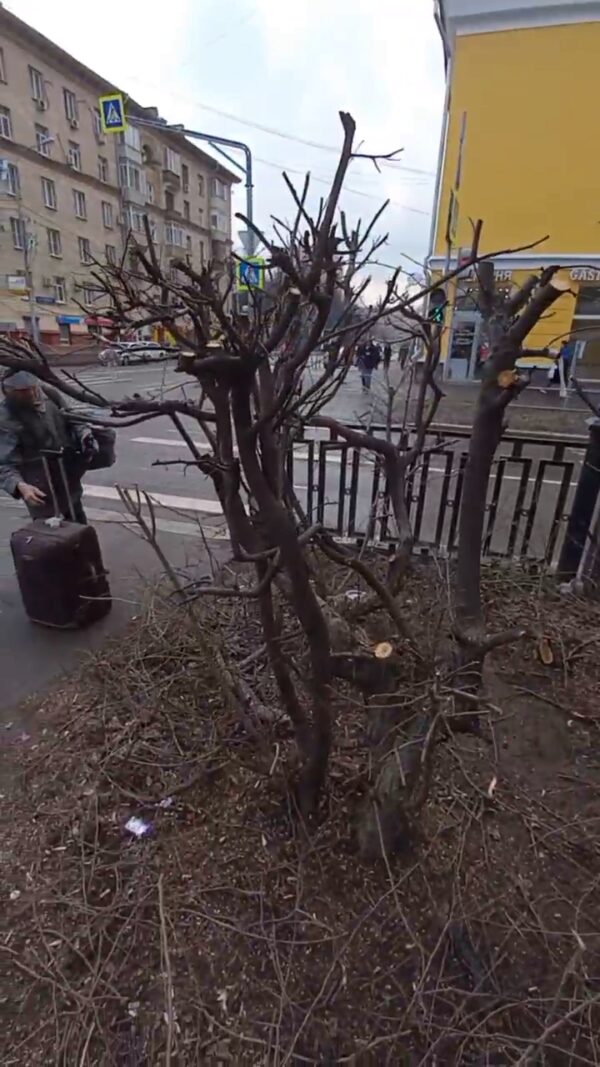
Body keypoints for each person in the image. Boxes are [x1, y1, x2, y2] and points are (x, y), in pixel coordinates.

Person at [0, 370, 98, 524]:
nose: (32, 394)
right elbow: (4, 463)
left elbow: (72, 418)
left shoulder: (49, 394)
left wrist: (84, 435)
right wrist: (20, 486)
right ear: (7, 391)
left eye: (33, 388)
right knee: (50, 535)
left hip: (67, 474)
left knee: (78, 524)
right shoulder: (5, 417)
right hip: (39, 486)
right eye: (23, 392)